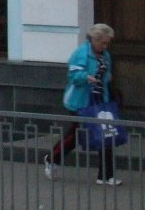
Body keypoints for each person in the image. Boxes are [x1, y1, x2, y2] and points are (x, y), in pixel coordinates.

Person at [43, 23, 120, 185]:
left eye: (107, 43)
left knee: (106, 135)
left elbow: (107, 75)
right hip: (81, 101)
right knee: (76, 134)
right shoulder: (81, 53)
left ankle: (106, 175)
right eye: (102, 43)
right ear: (94, 40)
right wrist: (86, 77)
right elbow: (74, 76)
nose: (105, 46)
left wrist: (106, 80)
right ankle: (52, 158)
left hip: (100, 100)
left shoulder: (104, 55)